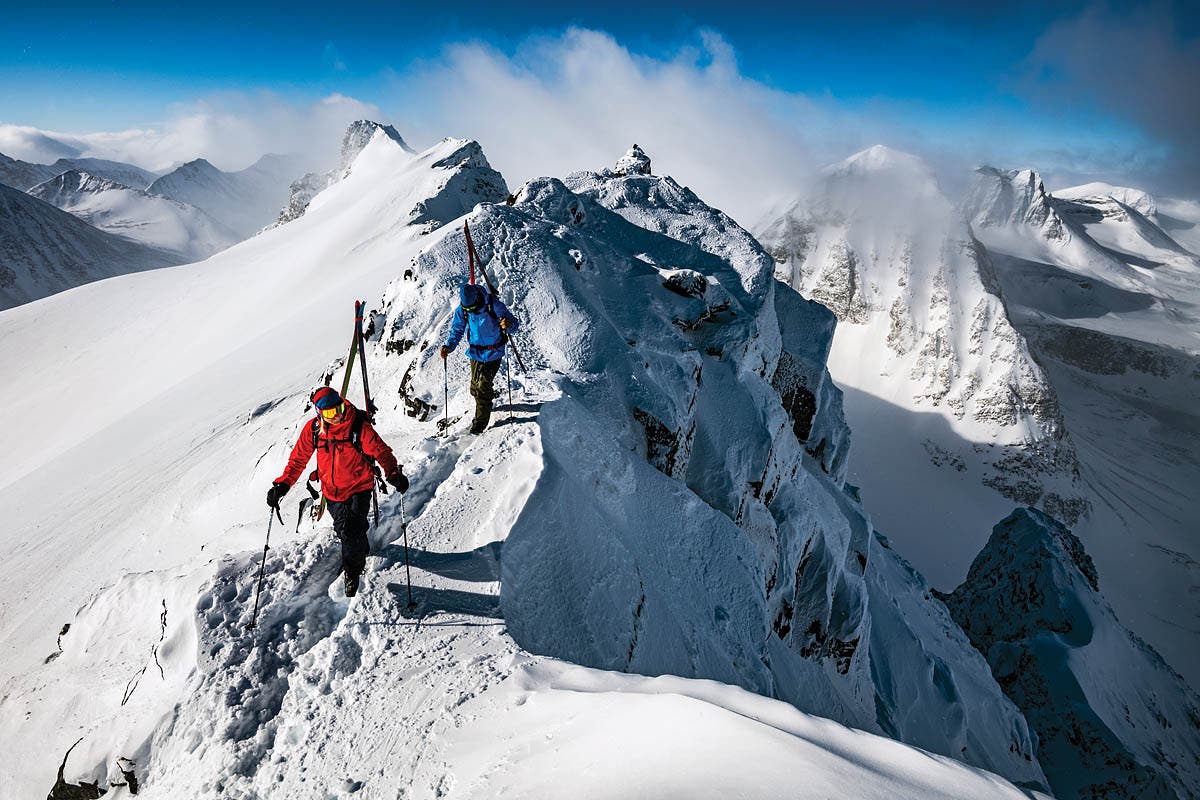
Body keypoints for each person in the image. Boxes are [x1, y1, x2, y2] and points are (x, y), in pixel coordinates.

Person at [266, 387, 408, 597]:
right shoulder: (314, 430)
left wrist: (393, 472)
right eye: (331, 413)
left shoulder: (358, 427)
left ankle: (352, 573)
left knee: (351, 530)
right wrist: (283, 485)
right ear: (320, 414)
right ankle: (360, 547)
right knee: (346, 531)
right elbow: (298, 460)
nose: (338, 414)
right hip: (331, 492)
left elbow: (381, 450)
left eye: (339, 408)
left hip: (359, 487)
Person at [439, 283, 519, 434]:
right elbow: (457, 330)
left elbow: (514, 324)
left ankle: (479, 424)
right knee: (475, 388)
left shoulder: (493, 305)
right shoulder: (463, 310)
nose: (471, 312)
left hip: (494, 352)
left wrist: (508, 324)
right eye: (467, 309)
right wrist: (448, 347)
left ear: (477, 299)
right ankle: (488, 396)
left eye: (472, 308)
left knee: (482, 387)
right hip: (475, 353)